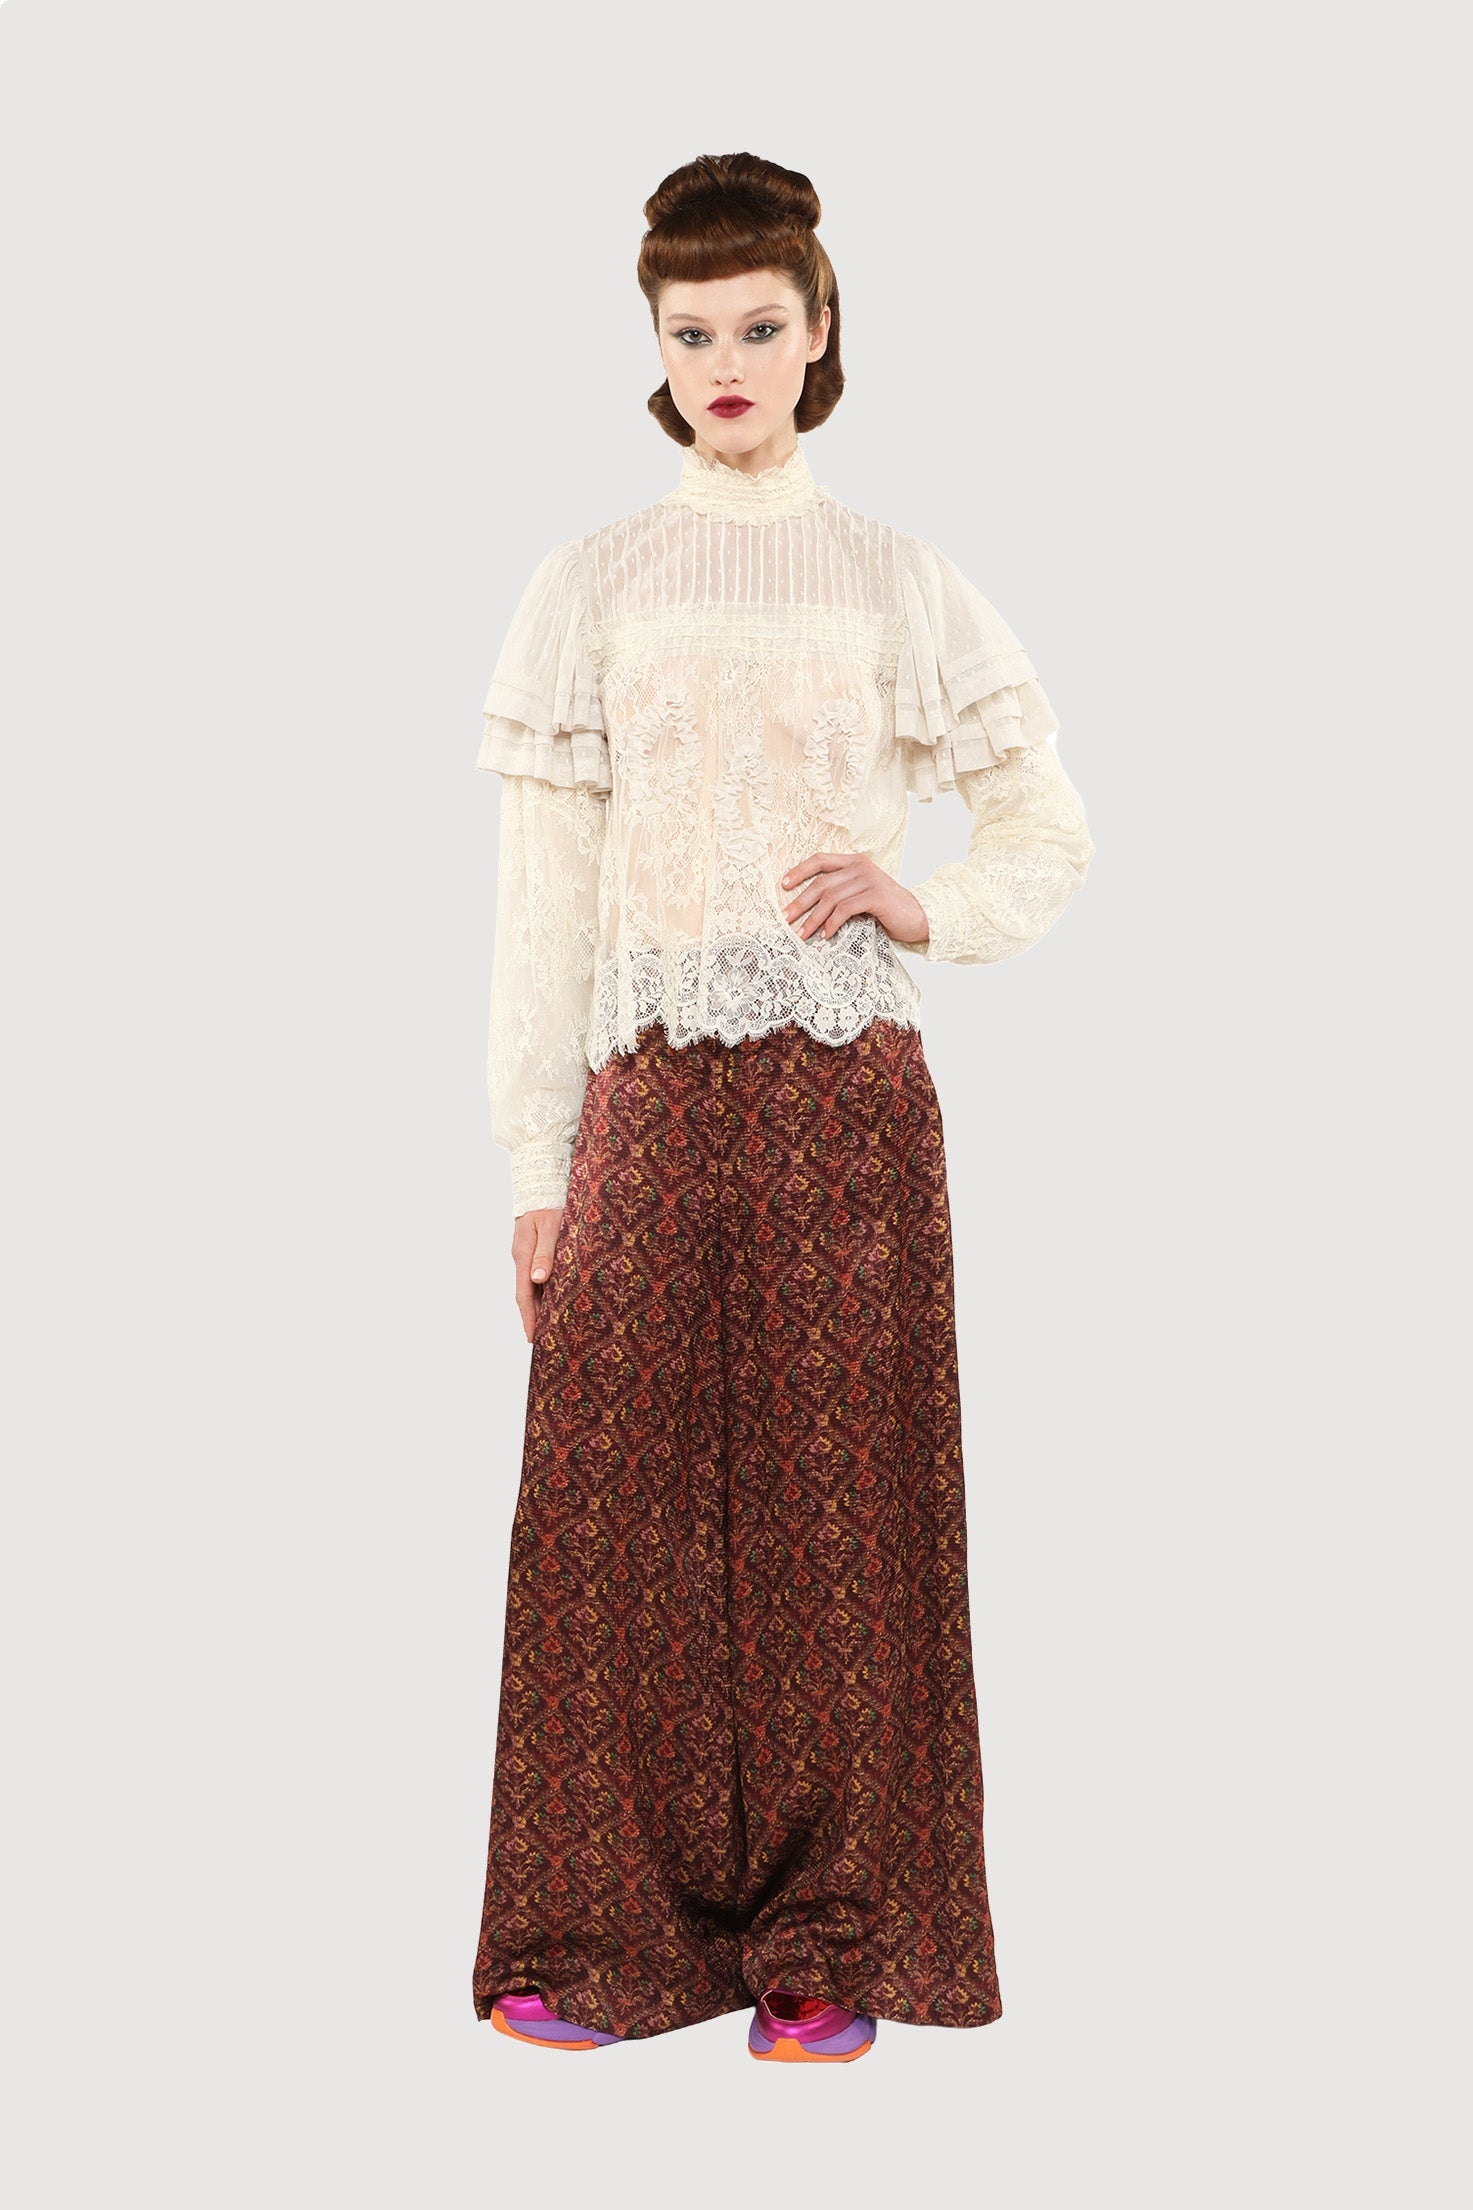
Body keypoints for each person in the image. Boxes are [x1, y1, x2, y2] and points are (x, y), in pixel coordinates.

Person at [471, 152, 1094, 2065]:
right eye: (691, 333)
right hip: (649, 1088)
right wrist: (535, 1163)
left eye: (759, 325)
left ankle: (832, 1941)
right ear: (655, 349)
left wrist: (926, 902)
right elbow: (542, 901)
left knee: (843, 1515)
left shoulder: (896, 575)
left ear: (819, 331)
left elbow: (1043, 824)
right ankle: (603, 1933)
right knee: (607, 1509)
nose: (726, 361)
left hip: (843, 1096)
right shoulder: (593, 581)